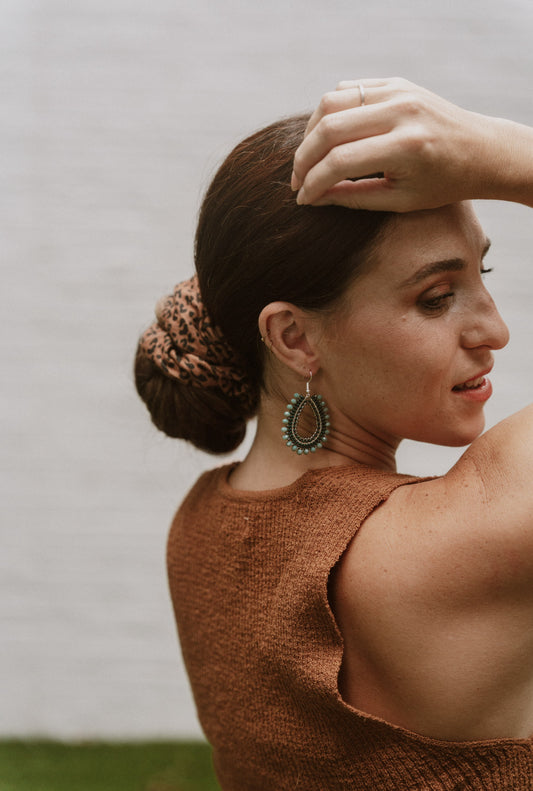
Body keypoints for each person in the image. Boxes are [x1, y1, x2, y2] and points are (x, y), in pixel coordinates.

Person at [135, 78, 533, 789]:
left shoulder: (199, 527)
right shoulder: (478, 528)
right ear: (294, 337)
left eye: (484, 270)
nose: (494, 329)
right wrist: (504, 156)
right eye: (436, 297)